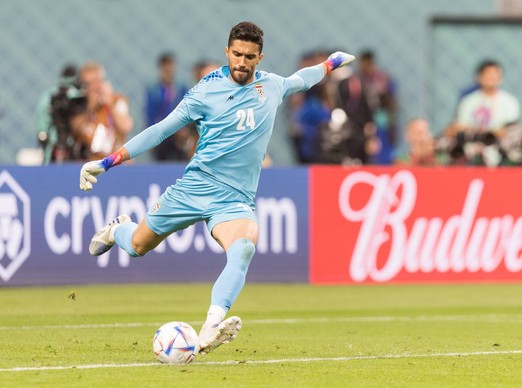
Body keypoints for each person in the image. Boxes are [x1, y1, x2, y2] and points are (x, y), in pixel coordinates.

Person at [79, 21, 354, 357]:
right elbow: (160, 131)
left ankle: (211, 325)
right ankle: (118, 229)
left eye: (249, 56)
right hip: (194, 187)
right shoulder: (204, 92)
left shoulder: (272, 86)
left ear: (259, 57)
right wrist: (108, 162)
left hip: (234, 200)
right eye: (236, 54)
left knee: (243, 248)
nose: (241, 61)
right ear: (227, 52)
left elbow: (303, 78)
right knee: (138, 246)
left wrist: (330, 64)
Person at [444, 60, 522, 166]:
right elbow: (458, 127)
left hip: (497, 146)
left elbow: (508, 130)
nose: (492, 78)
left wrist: (487, 132)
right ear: (479, 77)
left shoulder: (509, 102)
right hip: (471, 143)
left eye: (495, 74)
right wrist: (483, 132)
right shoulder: (468, 101)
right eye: (488, 74)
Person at [76, 61, 134, 160]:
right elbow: (77, 129)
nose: (94, 87)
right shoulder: (80, 106)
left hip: (120, 161)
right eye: (89, 84)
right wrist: (91, 106)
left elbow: (126, 126)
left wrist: (109, 103)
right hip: (94, 164)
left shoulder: (117, 100)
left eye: (97, 81)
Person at [145, 53, 191, 161]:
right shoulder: (153, 89)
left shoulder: (181, 87)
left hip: (178, 132)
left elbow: (188, 108)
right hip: (161, 132)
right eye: (165, 68)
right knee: (161, 160)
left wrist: (186, 129)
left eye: (170, 67)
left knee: (181, 161)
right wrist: (150, 137)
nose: (168, 70)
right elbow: (149, 113)